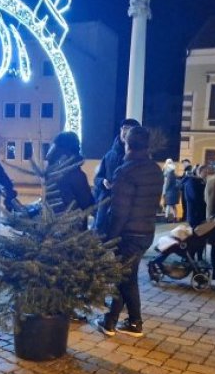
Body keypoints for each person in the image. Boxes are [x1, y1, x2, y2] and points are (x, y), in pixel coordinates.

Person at [95, 126, 163, 337]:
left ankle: (133, 322)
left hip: (128, 234)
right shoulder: (155, 170)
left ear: (128, 145)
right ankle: (114, 321)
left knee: (125, 278)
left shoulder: (125, 171)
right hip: (146, 231)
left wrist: (111, 237)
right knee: (126, 276)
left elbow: (119, 211)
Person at [93, 118, 138, 233]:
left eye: (130, 129)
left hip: (127, 205)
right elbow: (97, 178)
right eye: (124, 128)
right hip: (106, 202)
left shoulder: (138, 158)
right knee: (100, 232)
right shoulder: (109, 155)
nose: (125, 132)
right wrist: (103, 182)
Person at [45, 130, 94, 228]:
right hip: (73, 227)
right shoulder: (76, 174)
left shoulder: (51, 171)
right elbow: (86, 203)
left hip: (51, 224)